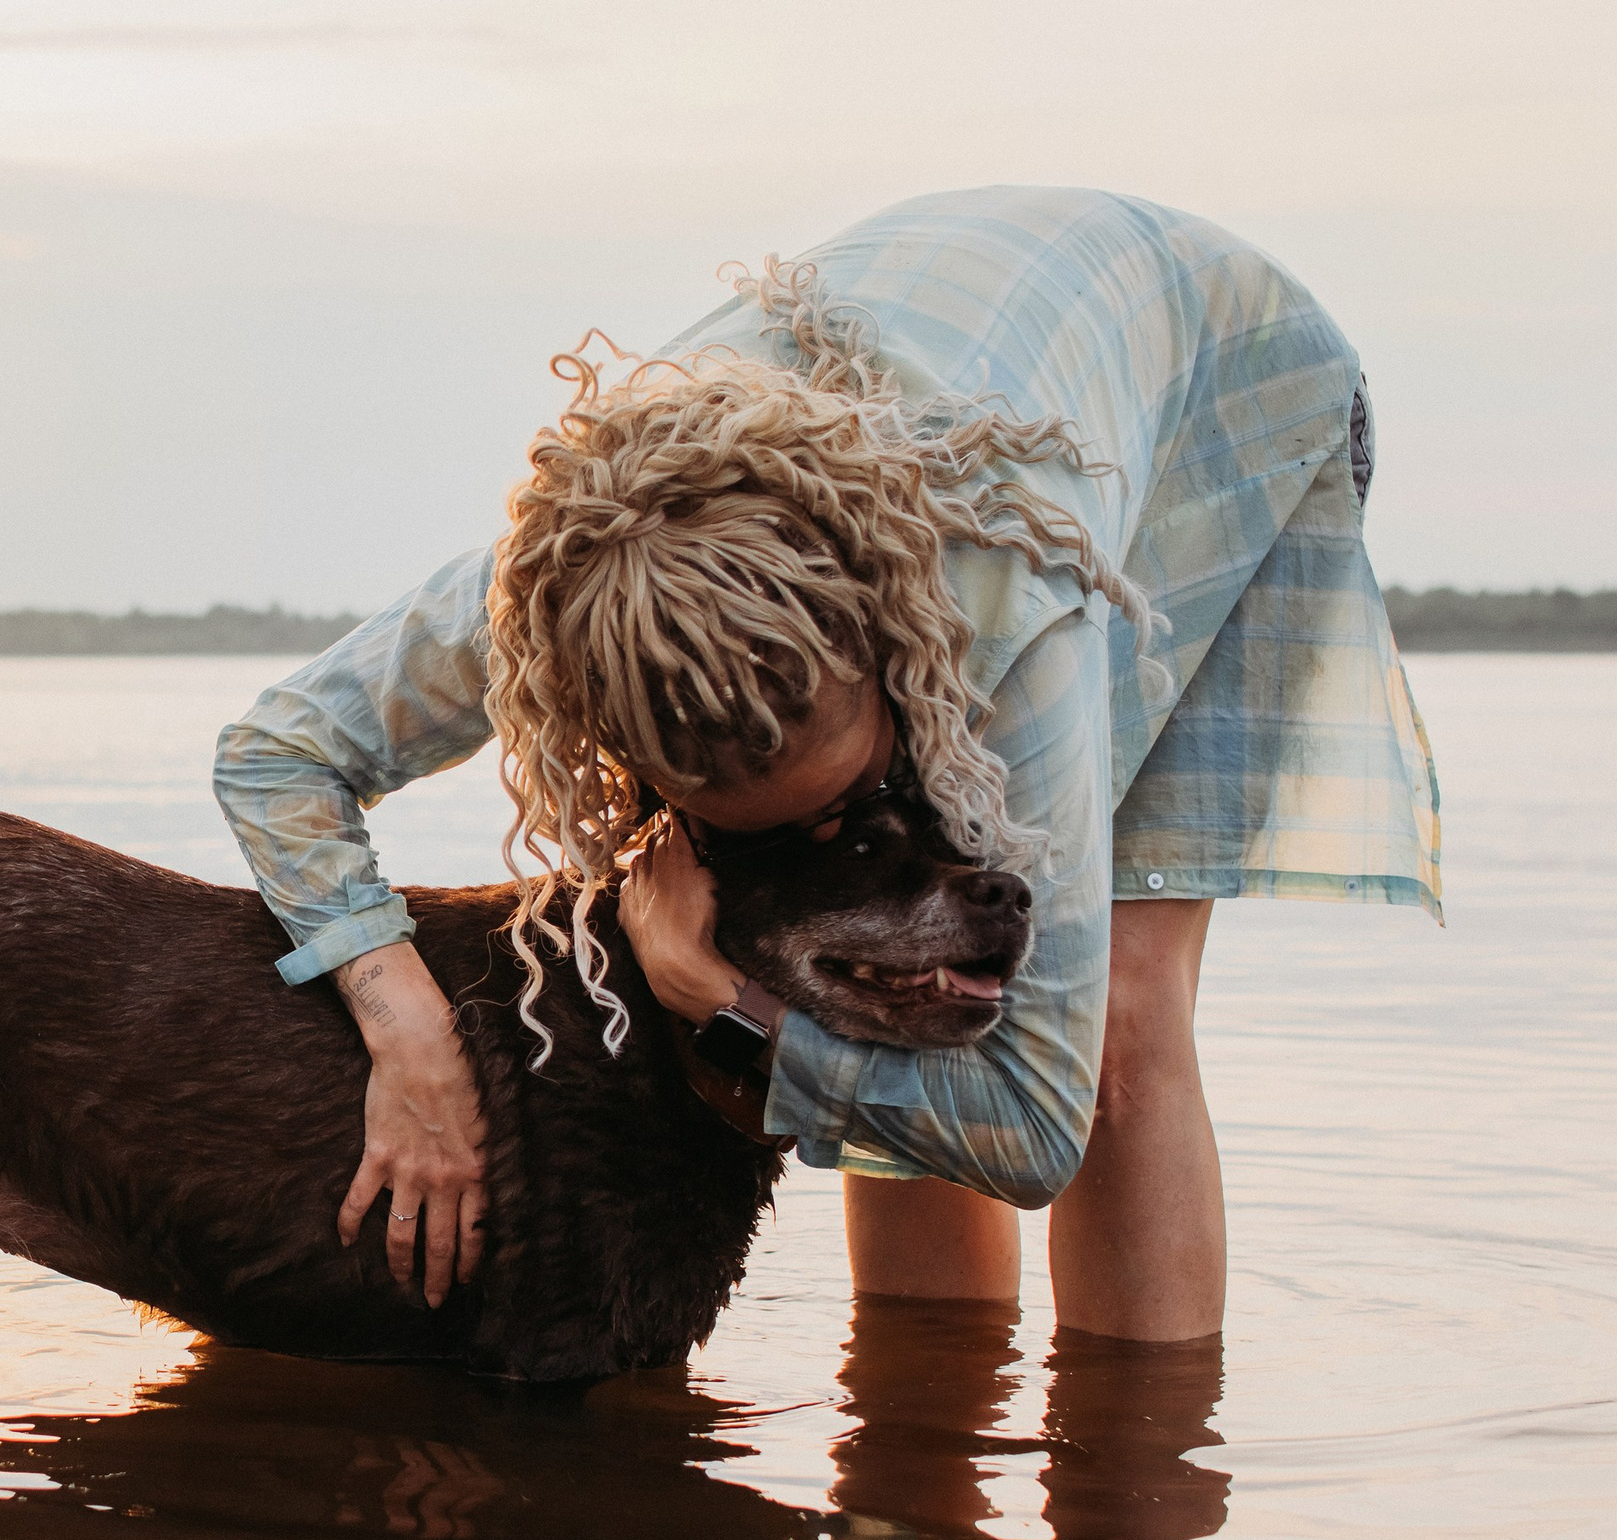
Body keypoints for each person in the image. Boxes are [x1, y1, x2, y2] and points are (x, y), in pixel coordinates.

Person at [213, 186, 1440, 1341]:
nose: (872, 828)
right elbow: (278, 756)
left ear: (886, 647)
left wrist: (726, 1004)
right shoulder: (577, 584)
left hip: (1221, 388)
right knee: (896, 968)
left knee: (1115, 1020)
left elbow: (1033, 1130)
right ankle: (914, 1496)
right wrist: (406, 1028)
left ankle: (1136, 1504)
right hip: (974, 330)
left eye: (852, 791)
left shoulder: (1012, 605)